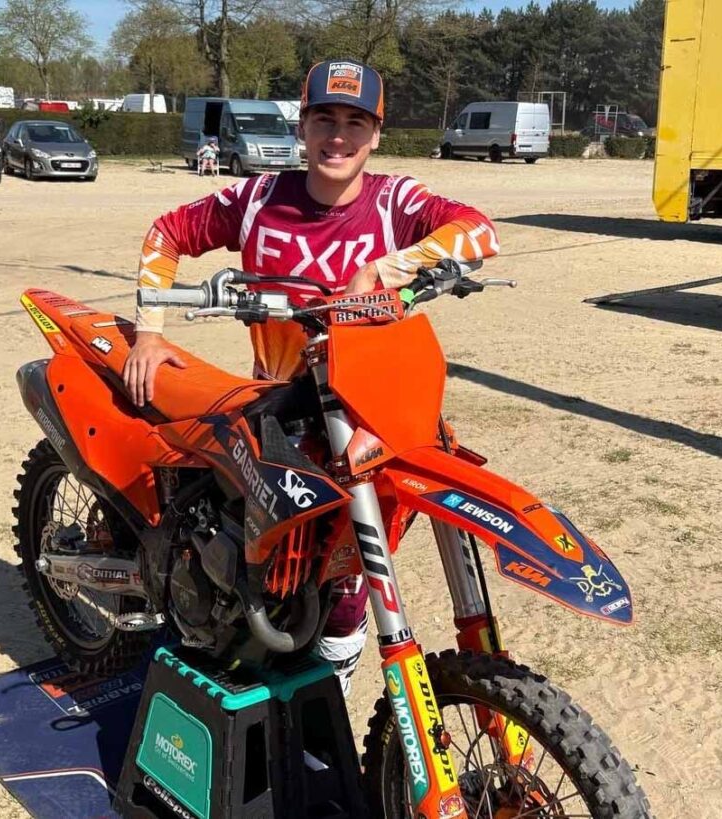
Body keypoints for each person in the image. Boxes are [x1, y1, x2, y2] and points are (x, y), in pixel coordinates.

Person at [123, 59, 499, 694]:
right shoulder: (257, 198)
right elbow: (167, 233)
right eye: (325, 119)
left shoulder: (396, 201)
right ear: (302, 126)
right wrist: (150, 331)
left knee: (353, 566)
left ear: (375, 134)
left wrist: (387, 269)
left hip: (369, 409)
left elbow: (481, 231)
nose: (338, 136)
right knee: (259, 563)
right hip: (279, 404)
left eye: (356, 122)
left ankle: (331, 683)